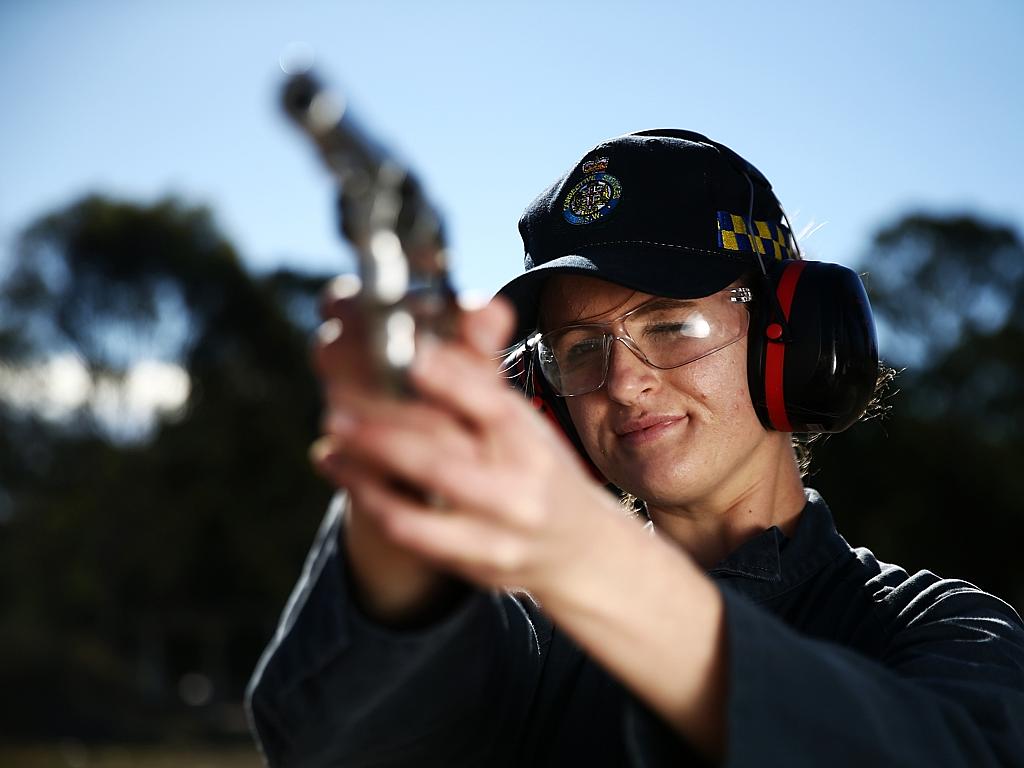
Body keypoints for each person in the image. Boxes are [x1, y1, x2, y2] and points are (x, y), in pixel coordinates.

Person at [245, 130, 1024, 766]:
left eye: (670, 326)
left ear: (791, 338)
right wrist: (404, 485)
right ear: (543, 394)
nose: (622, 383)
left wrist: (585, 557)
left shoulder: (939, 628)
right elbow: (338, 740)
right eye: (579, 349)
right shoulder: (533, 643)